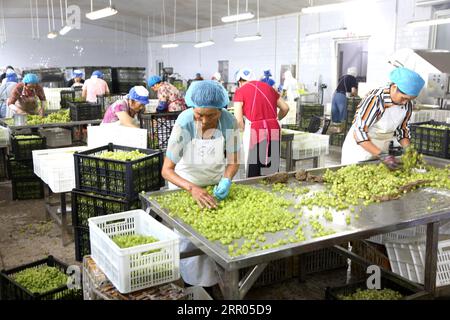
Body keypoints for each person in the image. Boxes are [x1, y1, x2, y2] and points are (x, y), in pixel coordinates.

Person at [161, 80, 240, 287]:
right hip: (185, 185)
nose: (204, 121)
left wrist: (226, 179)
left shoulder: (229, 122)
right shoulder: (185, 122)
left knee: (217, 237)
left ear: (221, 110)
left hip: (213, 186)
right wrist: (192, 189)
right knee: (191, 241)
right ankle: (191, 285)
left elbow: (233, 162)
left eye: (211, 115)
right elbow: (167, 170)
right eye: (199, 115)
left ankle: (215, 284)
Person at [341, 67, 425, 169]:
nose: (405, 102)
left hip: (381, 152)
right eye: (404, 98)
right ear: (394, 87)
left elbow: (402, 131)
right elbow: (359, 132)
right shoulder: (376, 99)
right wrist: (382, 155)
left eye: (410, 99)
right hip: (359, 151)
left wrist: (409, 151)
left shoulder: (407, 105)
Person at [233, 68, 290, 178]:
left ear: (239, 82)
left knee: (254, 168)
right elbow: (286, 108)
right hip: (274, 128)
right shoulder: (269, 88)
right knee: (272, 168)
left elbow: (239, 120)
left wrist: (243, 131)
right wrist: (275, 119)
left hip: (255, 129)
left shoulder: (240, 91)